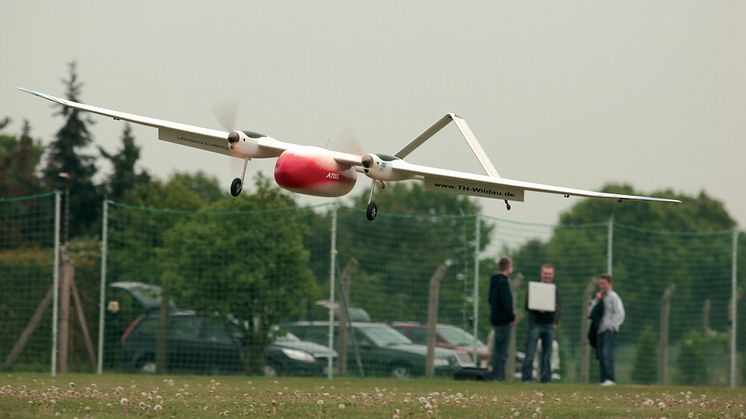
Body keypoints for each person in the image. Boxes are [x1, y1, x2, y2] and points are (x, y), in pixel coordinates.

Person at [521, 263, 560, 383]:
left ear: (552, 275)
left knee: (547, 354)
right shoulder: (534, 288)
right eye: (545, 273)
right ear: (541, 274)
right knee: (530, 353)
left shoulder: (555, 290)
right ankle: (527, 378)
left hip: (549, 325)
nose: (547, 276)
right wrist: (538, 308)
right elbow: (527, 305)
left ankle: (545, 378)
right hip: (535, 324)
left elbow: (558, 308)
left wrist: (555, 322)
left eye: (549, 274)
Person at [589, 273, 625, 386]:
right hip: (599, 329)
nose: (601, 286)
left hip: (608, 329)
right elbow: (591, 311)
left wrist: (613, 326)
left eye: (604, 284)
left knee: (607, 353)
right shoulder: (600, 297)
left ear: (609, 284)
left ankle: (610, 378)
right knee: (600, 354)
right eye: (600, 284)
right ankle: (603, 379)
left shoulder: (614, 297)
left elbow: (620, 313)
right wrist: (596, 300)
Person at [488, 256, 515, 381]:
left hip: (495, 318)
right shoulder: (504, 282)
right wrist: (511, 317)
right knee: (503, 351)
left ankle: (494, 374)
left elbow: (490, 300)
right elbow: (506, 303)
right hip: (504, 321)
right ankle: (499, 376)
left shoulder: (493, 281)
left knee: (496, 349)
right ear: (508, 267)